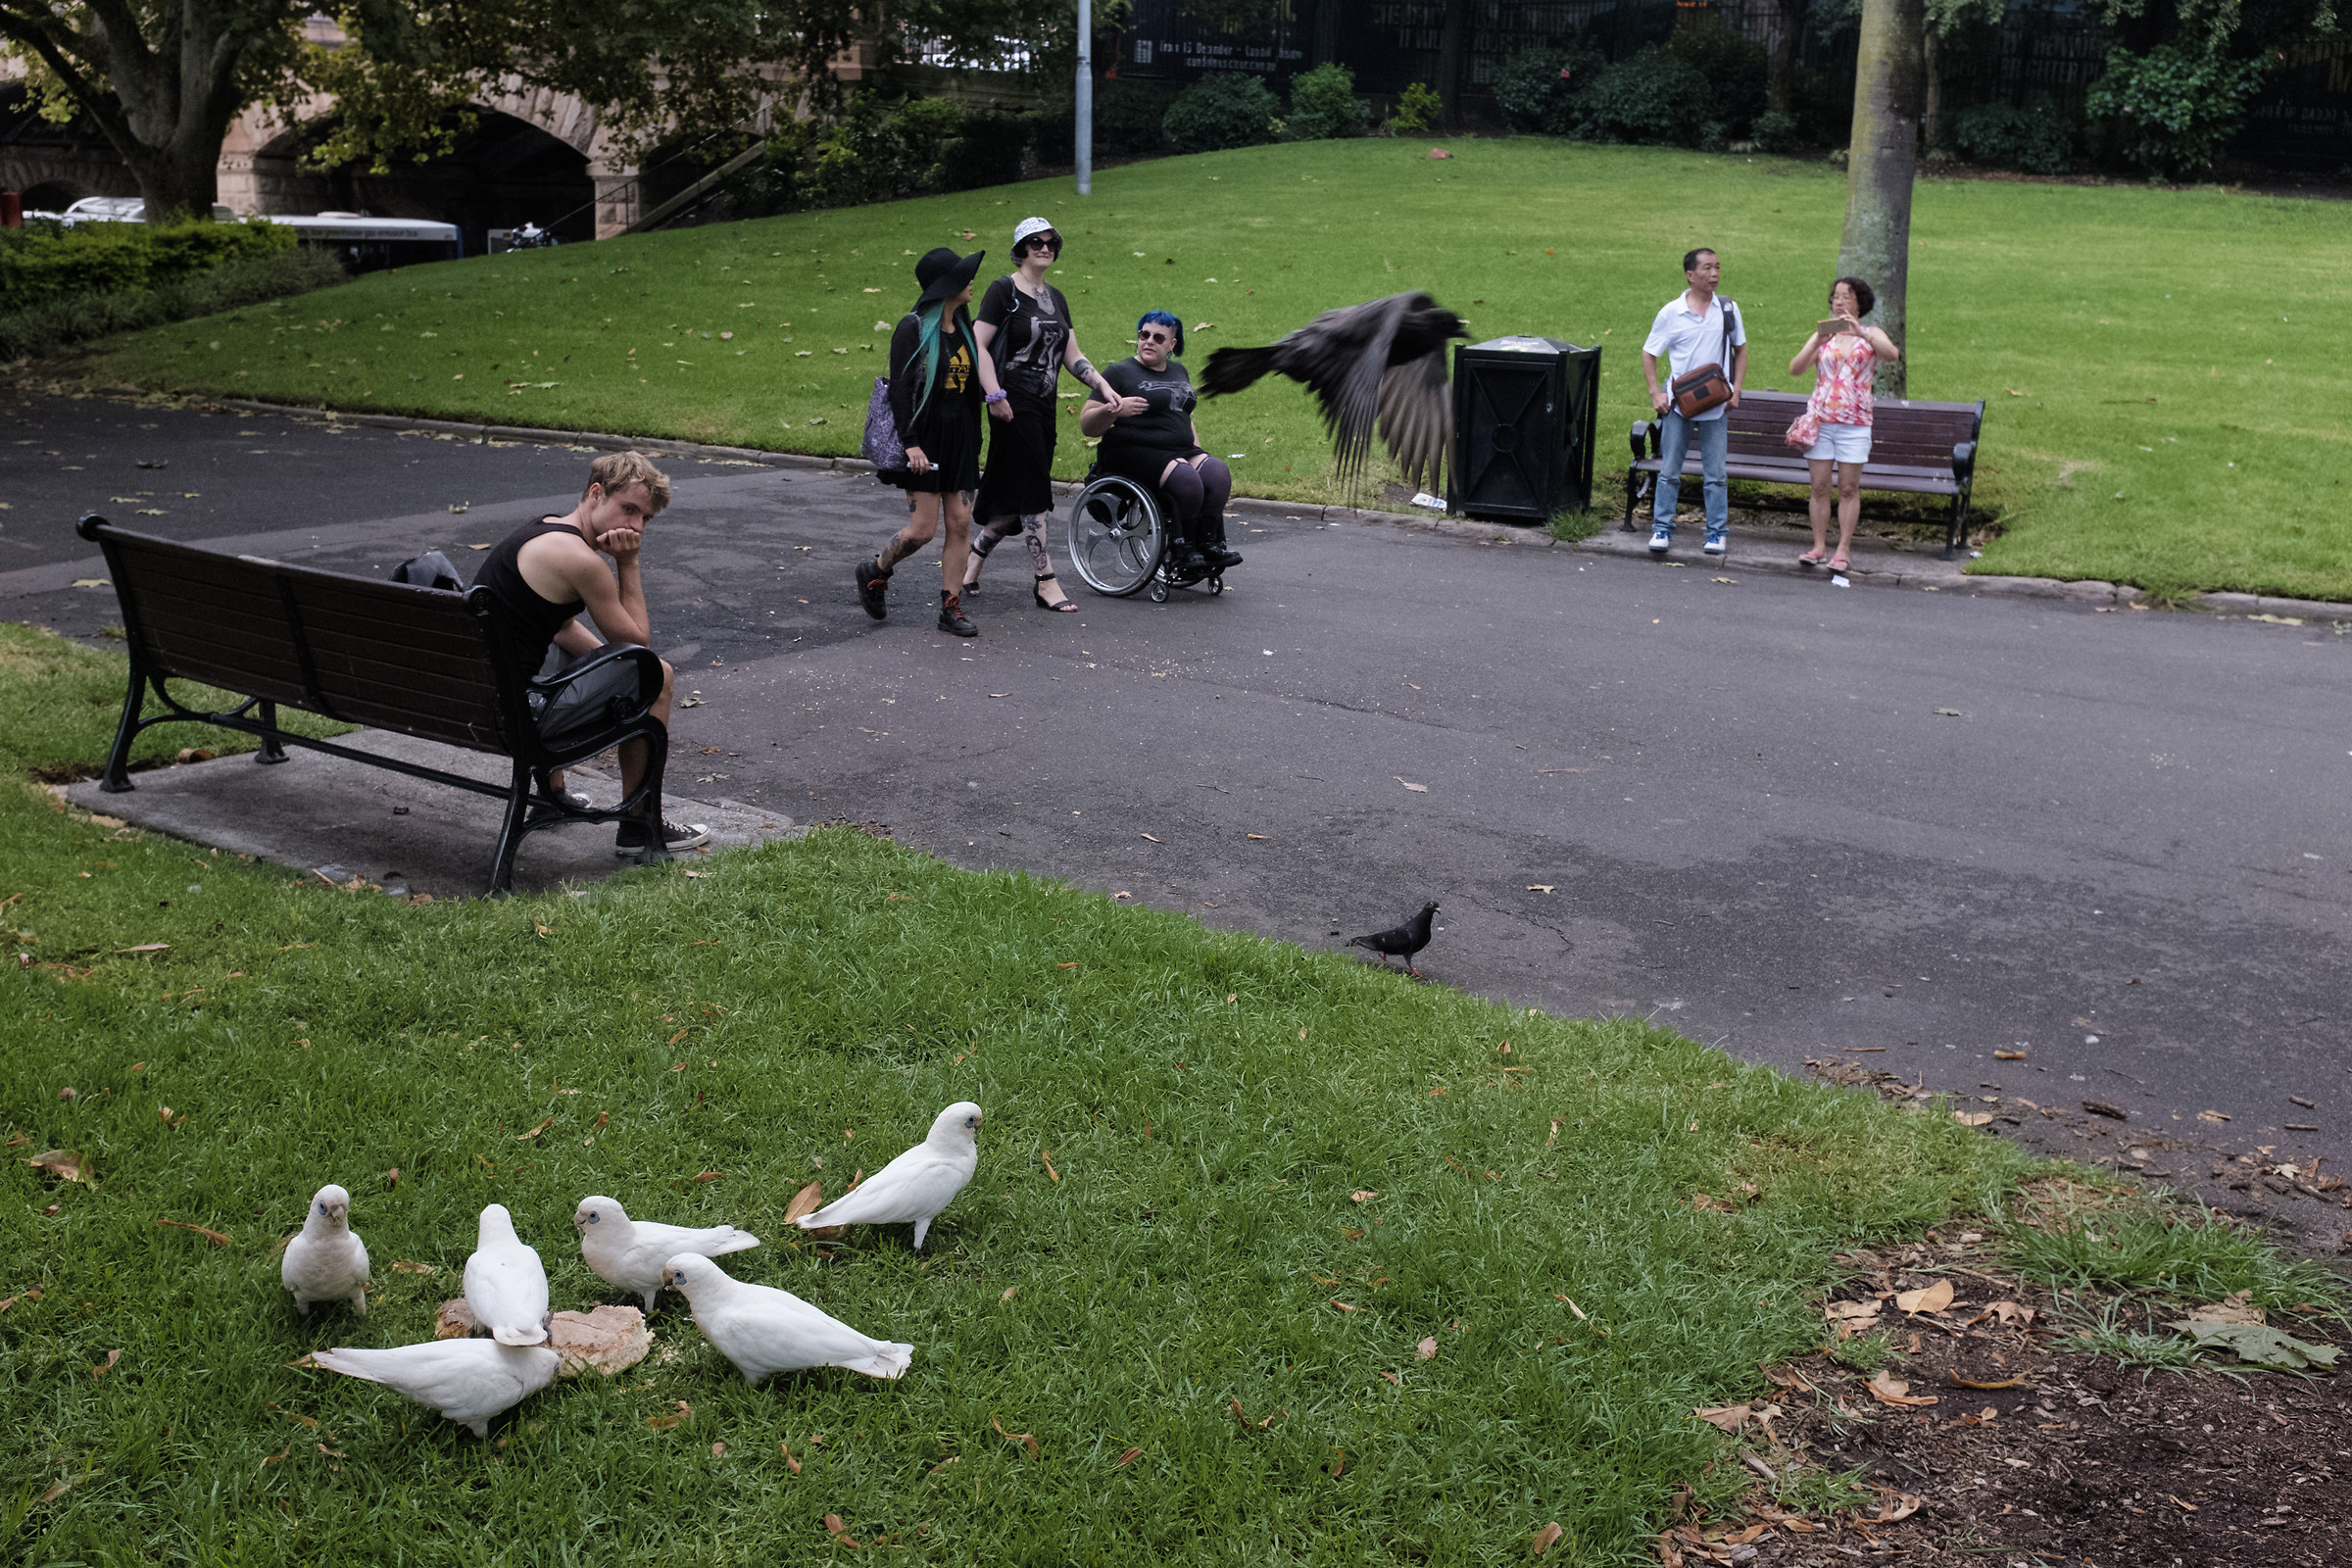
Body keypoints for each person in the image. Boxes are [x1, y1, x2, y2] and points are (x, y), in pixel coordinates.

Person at [474, 450, 706, 855]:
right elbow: (637, 644)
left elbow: (561, 628)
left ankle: (550, 797)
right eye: (628, 509)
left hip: (468, 701)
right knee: (658, 674)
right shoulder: (582, 561)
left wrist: (614, 668)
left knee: (615, 664)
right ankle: (638, 823)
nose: (635, 526)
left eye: (645, 518)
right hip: (515, 717)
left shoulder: (542, 529)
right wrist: (628, 563)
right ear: (596, 493)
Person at [964, 218, 1121, 612]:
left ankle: (970, 566)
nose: (1045, 247)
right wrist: (993, 394)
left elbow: (1073, 355)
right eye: (1035, 241)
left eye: (1051, 242)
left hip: (1044, 405)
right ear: (1021, 248)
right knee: (1034, 490)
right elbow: (977, 344)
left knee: (1010, 499)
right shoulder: (1004, 291)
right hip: (1012, 404)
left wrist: (1101, 385)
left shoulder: (1057, 298)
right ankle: (1045, 580)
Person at [855, 247, 987, 636]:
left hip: (960, 439)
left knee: (961, 523)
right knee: (923, 530)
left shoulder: (964, 327)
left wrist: (976, 440)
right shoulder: (911, 328)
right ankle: (875, 571)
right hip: (925, 439)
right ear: (947, 285)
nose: (971, 281)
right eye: (963, 276)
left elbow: (969, 393)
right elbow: (899, 389)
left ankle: (951, 608)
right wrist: (911, 443)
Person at [1077, 311, 1242, 574]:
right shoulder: (1119, 372)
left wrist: (1198, 451)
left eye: (1158, 337)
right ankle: (1183, 547)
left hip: (1177, 449)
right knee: (1186, 480)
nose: (1148, 341)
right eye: (1144, 335)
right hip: (1132, 450)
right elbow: (1087, 424)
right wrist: (1114, 410)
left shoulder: (1179, 370)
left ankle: (1209, 543)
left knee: (1217, 473)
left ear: (1172, 345)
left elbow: (1183, 415)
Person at [1788, 276, 1900, 573]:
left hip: (1855, 423)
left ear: (1859, 303)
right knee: (1819, 487)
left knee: (1849, 488)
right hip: (1820, 421)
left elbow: (1891, 354)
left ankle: (1843, 549)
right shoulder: (1826, 336)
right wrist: (1816, 338)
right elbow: (1795, 369)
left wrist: (1862, 332)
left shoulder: (1871, 334)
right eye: (1835, 296)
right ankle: (1818, 545)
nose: (1839, 302)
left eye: (1846, 296)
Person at [1641, 247, 1747, 559]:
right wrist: (1655, 393)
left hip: (1715, 404)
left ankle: (1716, 533)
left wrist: (1737, 389)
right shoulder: (1671, 313)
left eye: (1717, 267)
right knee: (1670, 469)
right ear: (1690, 275)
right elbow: (1649, 353)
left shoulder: (1727, 309)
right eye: (1706, 268)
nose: (1714, 273)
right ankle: (1662, 527)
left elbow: (1741, 349)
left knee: (1715, 473)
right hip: (1678, 403)